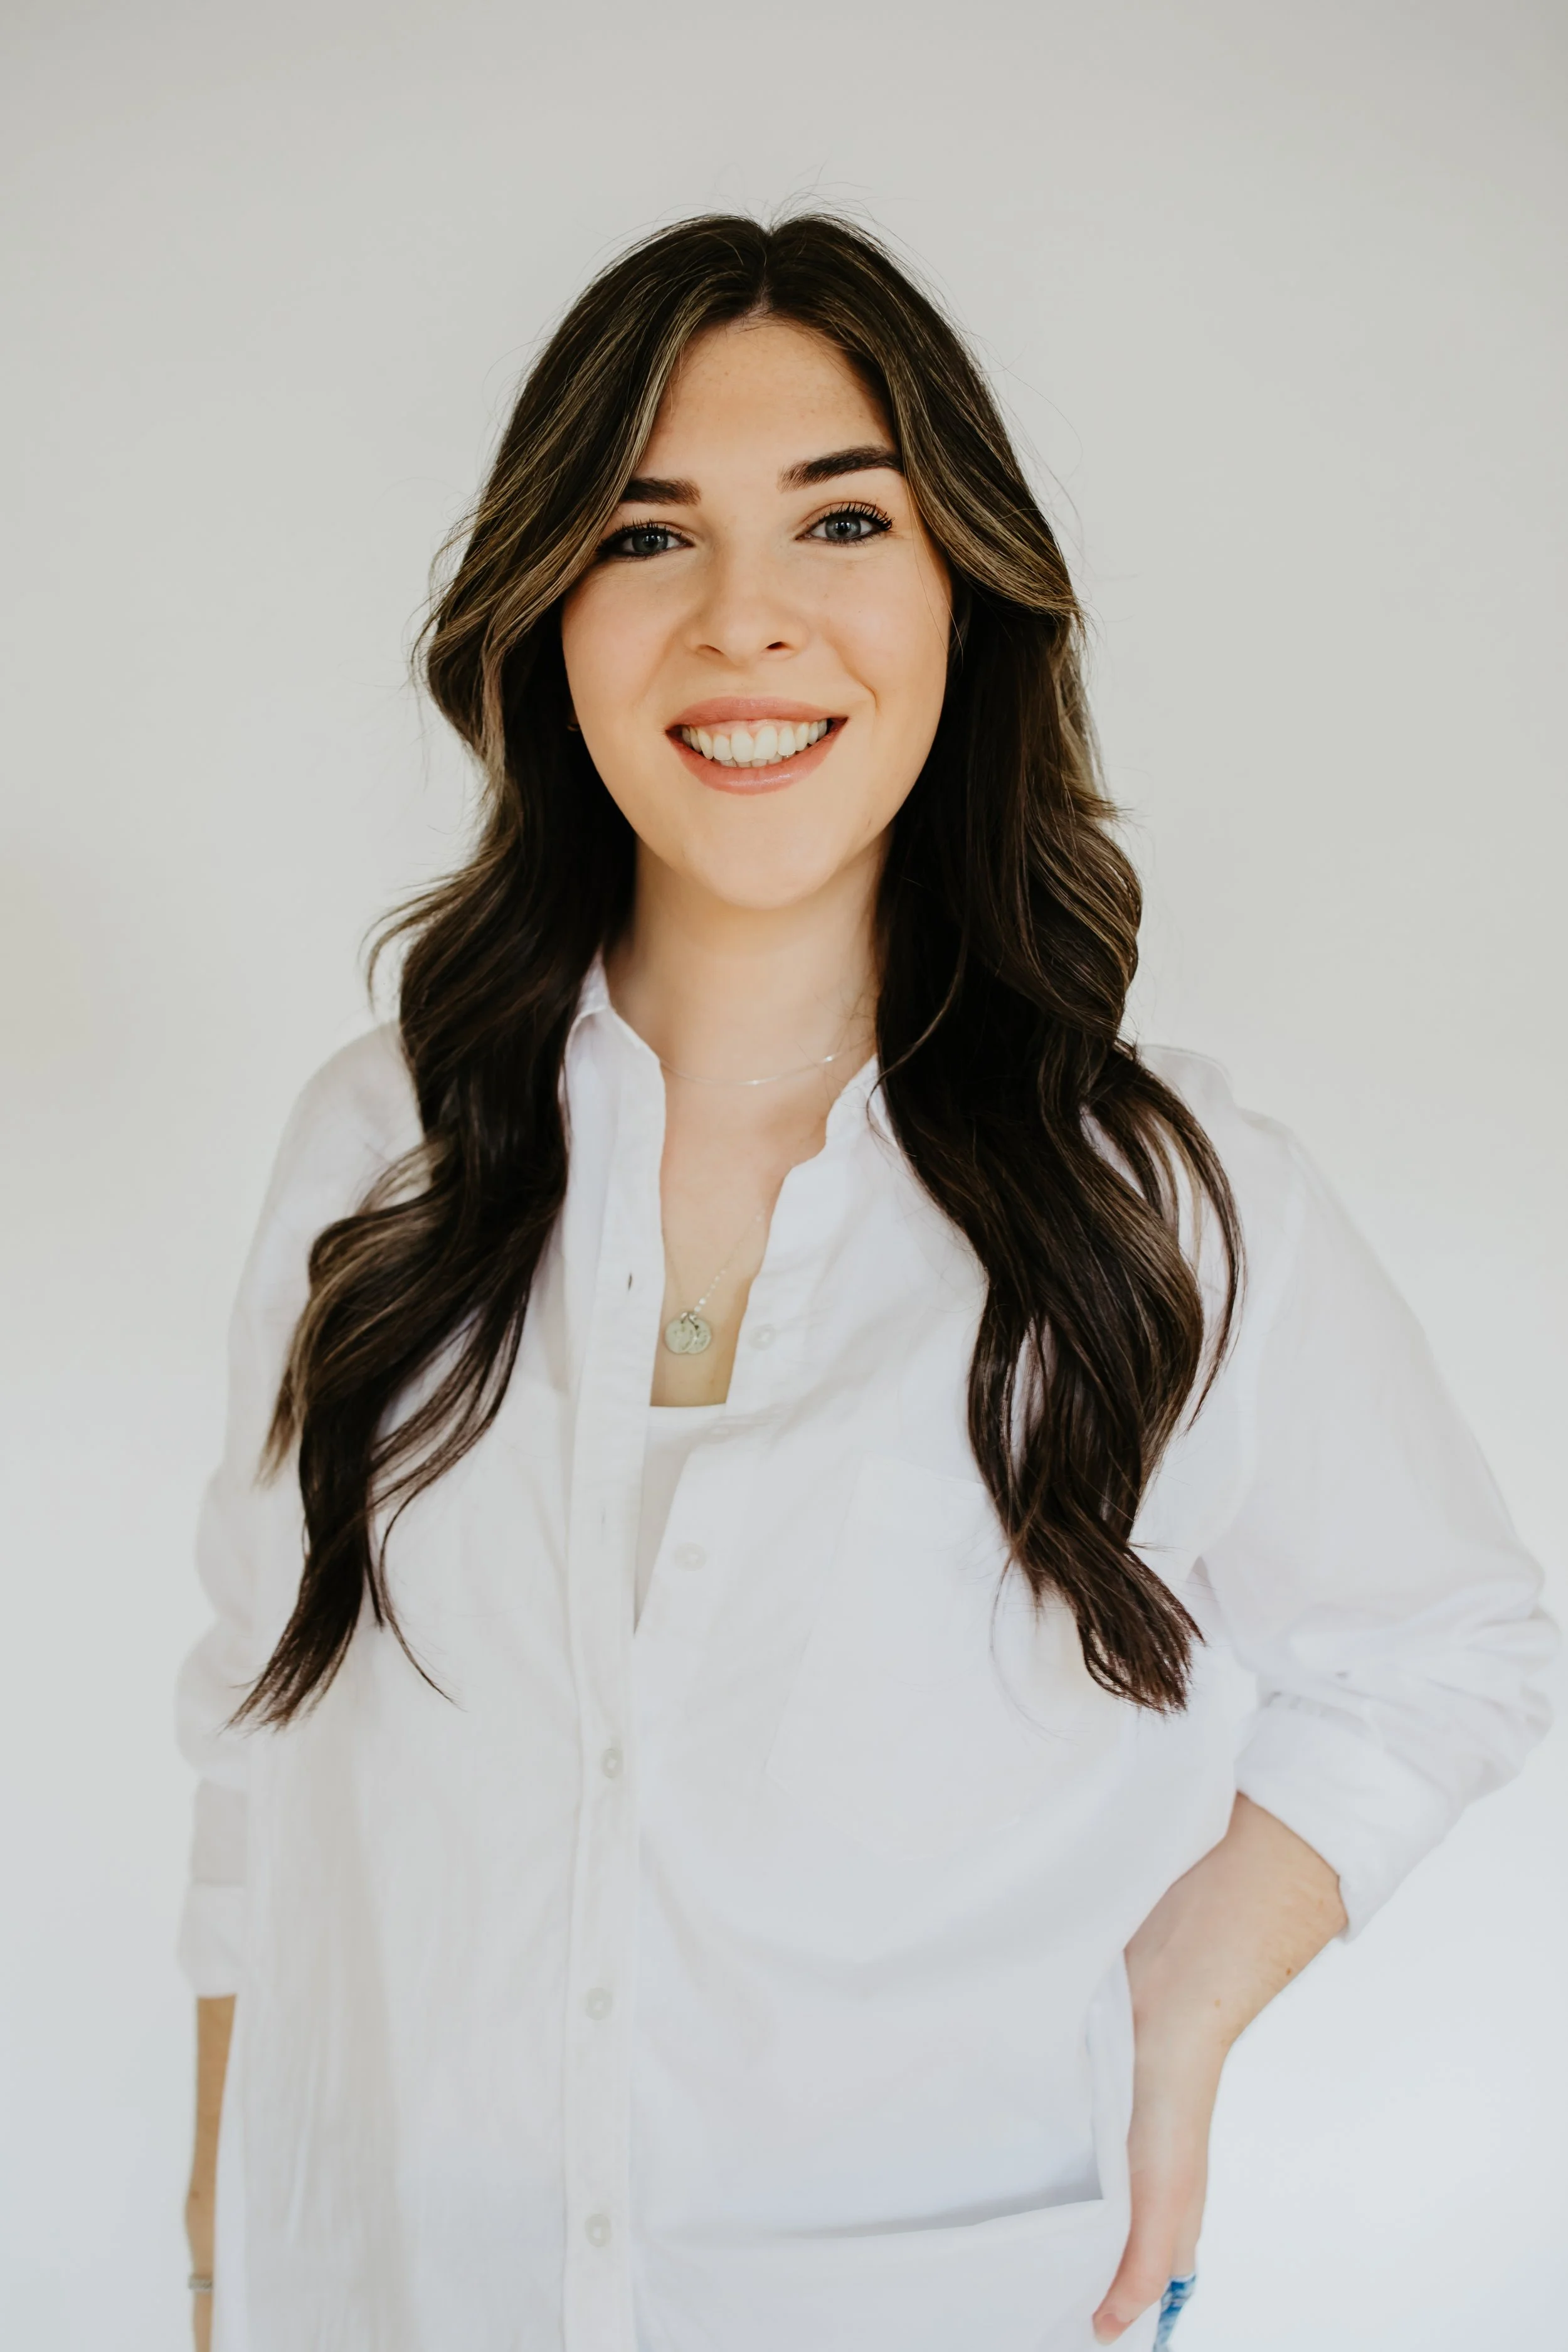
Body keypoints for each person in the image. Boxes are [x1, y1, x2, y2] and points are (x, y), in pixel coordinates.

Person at [176, 213, 1552, 2352]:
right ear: (547, 616)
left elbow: (1451, 1643)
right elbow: (262, 1741)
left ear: (961, 596)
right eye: (647, 536)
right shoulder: (388, 1148)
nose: (746, 621)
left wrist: (1177, 2008)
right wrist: (216, 2264)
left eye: (841, 519)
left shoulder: (1160, 1203)